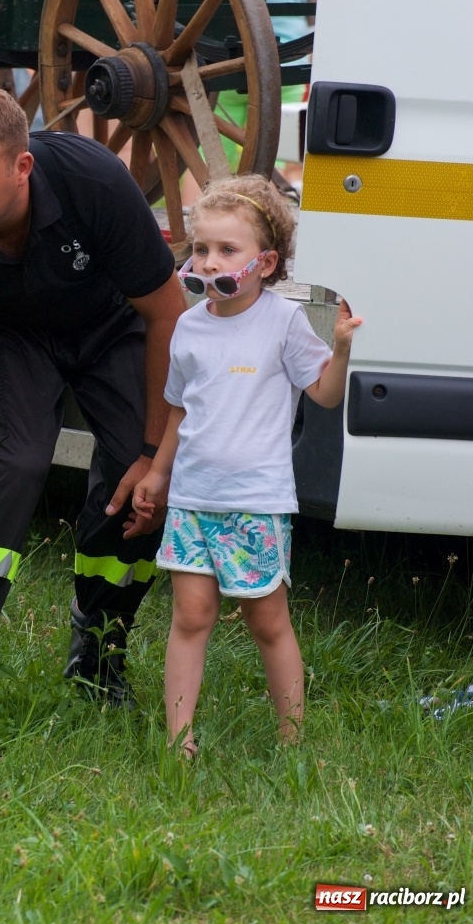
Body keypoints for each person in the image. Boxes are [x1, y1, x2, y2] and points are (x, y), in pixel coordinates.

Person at [0, 82, 186, 749]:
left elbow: (169, 314)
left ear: (22, 167)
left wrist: (150, 452)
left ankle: (98, 653)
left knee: (139, 481)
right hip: (7, 332)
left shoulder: (95, 182)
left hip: (110, 325)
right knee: (19, 460)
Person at [132, 175, 362, 753]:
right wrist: (158, 476)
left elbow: (324, 396)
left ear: (265, 263)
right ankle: (178, 744)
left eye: (226, 251)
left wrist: (340, 351)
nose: (210, 263)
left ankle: (292, 742)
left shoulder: (282, 322)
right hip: (192, 499)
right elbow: (182, 414)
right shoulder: (187, 327)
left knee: (266, 622)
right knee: (190, 616)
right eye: (202, 249)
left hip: (255, 503)